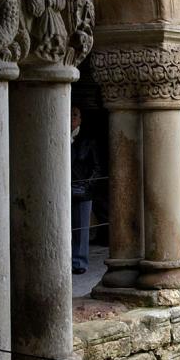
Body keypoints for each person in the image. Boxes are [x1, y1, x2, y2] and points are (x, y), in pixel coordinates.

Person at [71, 105, 101, 274]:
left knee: (81, 228)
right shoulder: (58, 136)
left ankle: (79, 262)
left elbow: (97, 167)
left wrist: (86, 185)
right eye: (69, 114)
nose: (72, 118)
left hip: (82, 190)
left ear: (81, 119)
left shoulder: (88, 140)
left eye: (75, 115)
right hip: (63, 189)